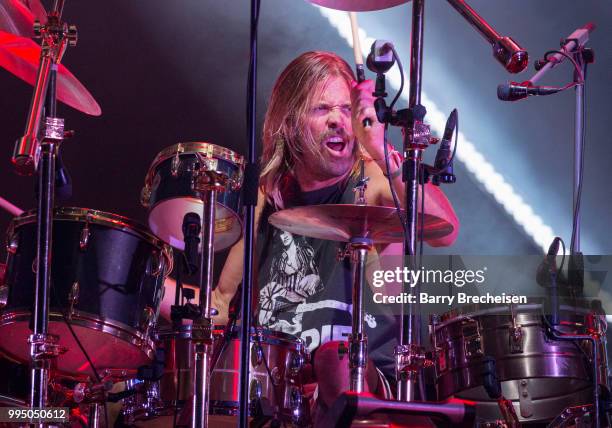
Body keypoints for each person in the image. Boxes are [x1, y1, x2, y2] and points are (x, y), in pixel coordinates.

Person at [163, 51, 458, 423]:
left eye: (344, 109)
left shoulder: (374, 182)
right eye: (321, 109)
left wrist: (383, 151)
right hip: (280, 390)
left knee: (334, 359)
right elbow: (220, 306)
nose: (338, 121)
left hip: (369, 386)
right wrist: (144, 287)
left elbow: (444, 228)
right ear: (289, 122)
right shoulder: (264, 198)